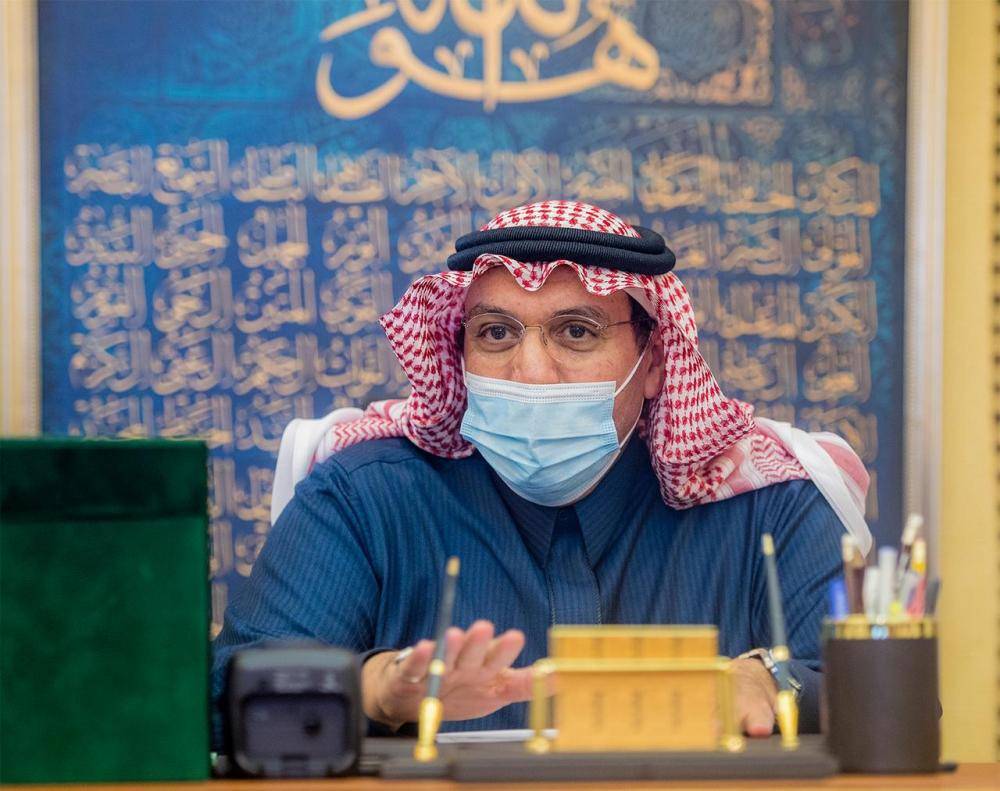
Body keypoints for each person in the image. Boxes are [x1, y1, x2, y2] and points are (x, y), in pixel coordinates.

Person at [212, 200, 871, 743]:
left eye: (576, 331)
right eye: (496, 333)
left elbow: (883, 699)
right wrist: (376, 689)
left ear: (654, 364)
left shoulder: (768, 504)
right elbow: (221, 699)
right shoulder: (364, 499)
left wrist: (769, 683)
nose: (530, 371)